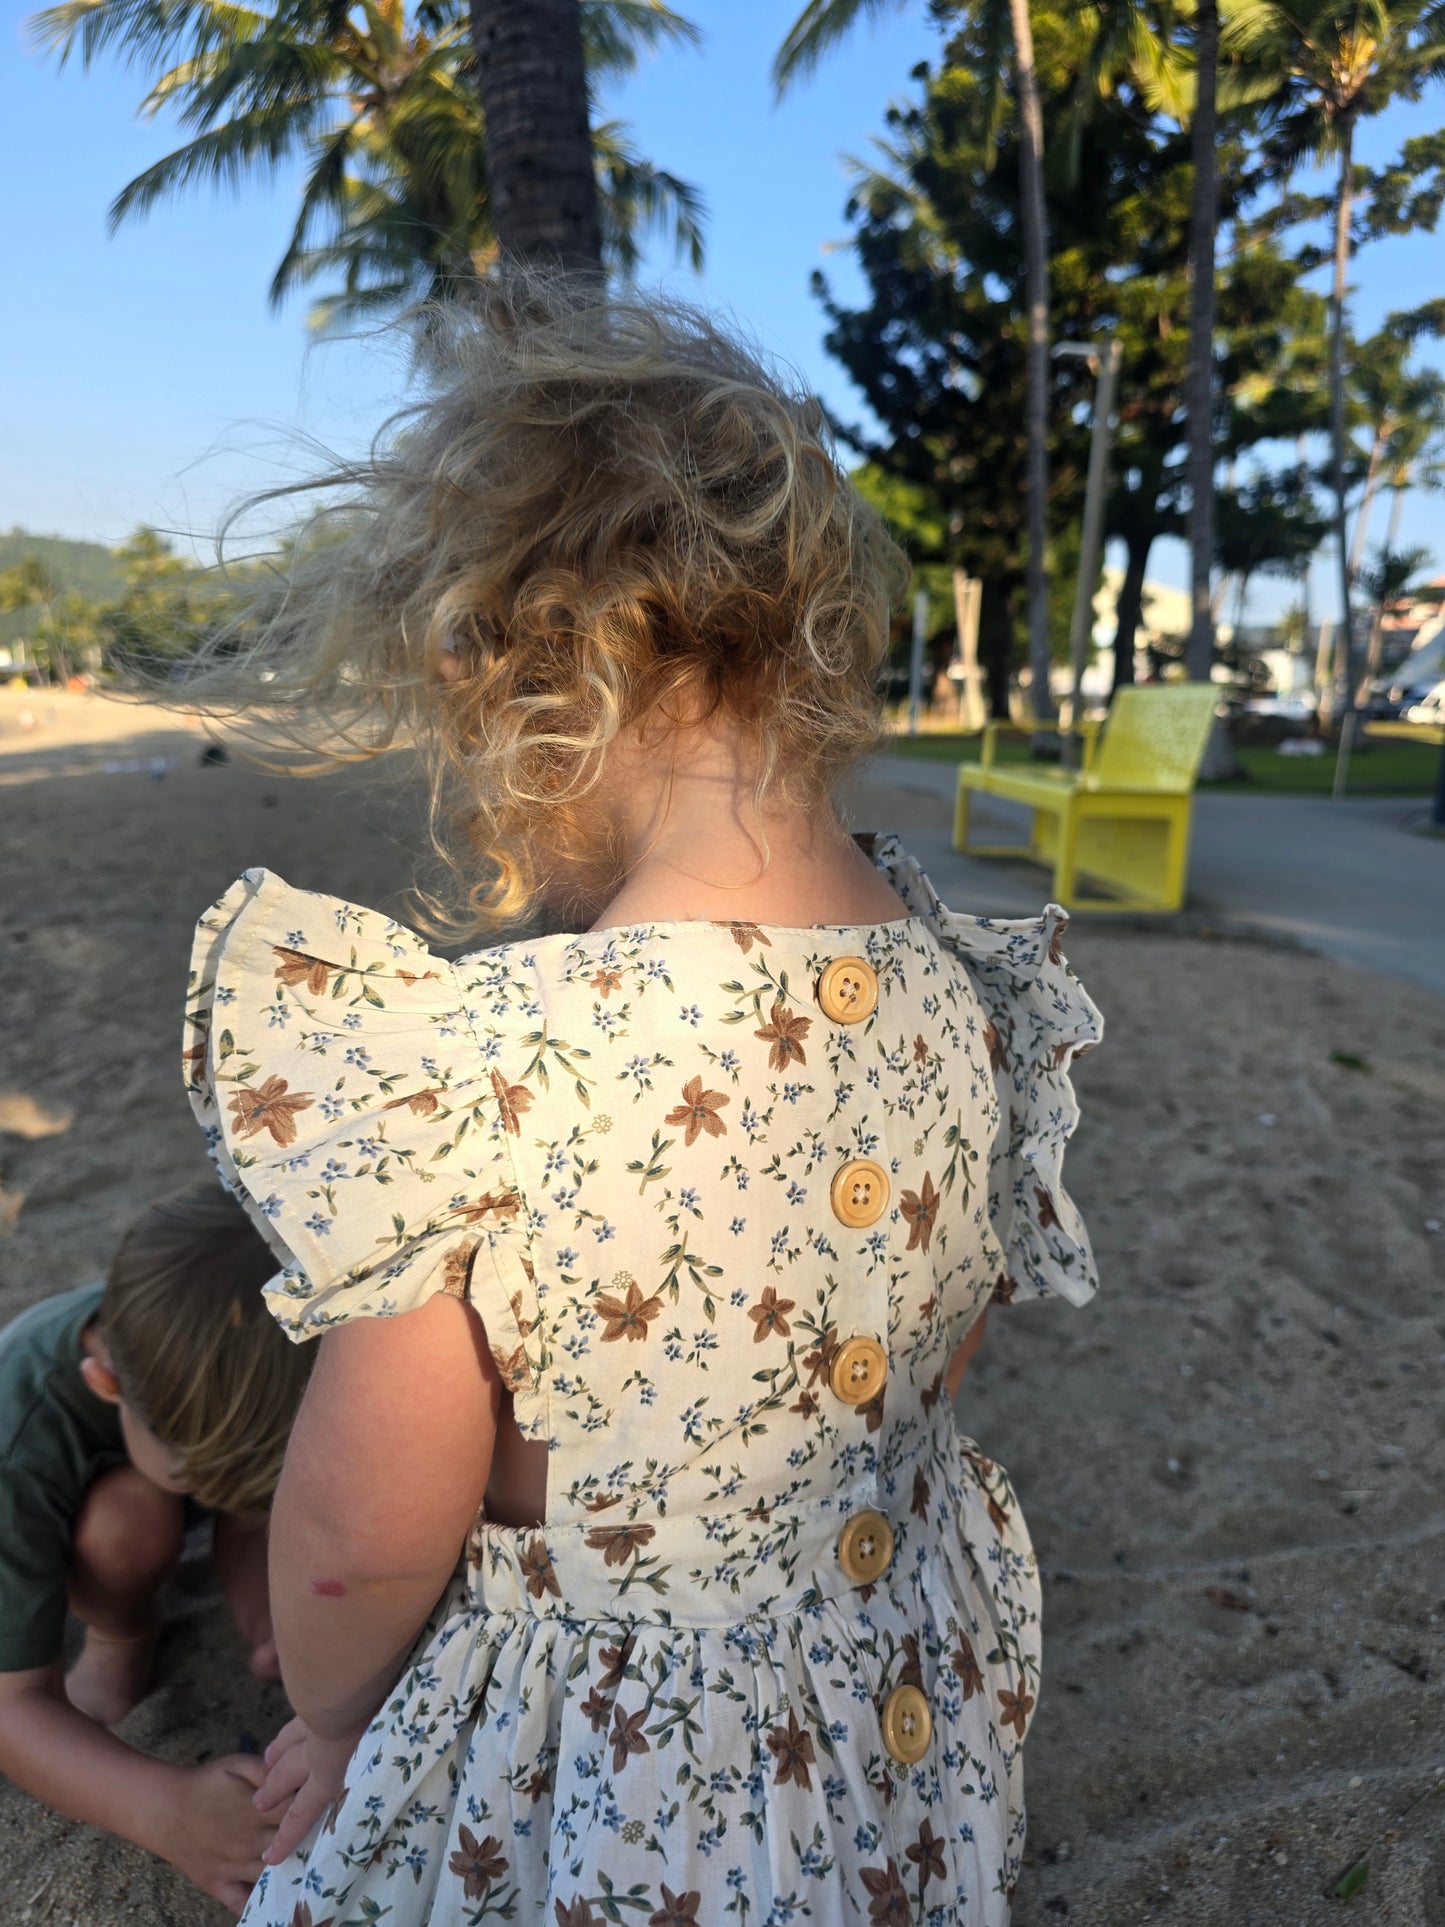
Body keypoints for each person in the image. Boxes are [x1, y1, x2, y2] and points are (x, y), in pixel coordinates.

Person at [178, 280, 1103, 1925]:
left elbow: (350, 1541)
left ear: (534, 689)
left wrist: (330, 1705)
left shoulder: (493, 1063)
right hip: (882, 1659)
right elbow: (941, 1338)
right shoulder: (966, 994)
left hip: (615, 1768)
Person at [0, 1181, 313, 1914]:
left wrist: (272, 1624)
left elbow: (247, 1498)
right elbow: (12, 1704)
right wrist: (166, 1810)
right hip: (101, 1511)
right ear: (102, 1381)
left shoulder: (254, 1345)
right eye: (207, 1477)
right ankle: (120, 1632)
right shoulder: (16, 1443)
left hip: (187, 1445)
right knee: (129, 1521)